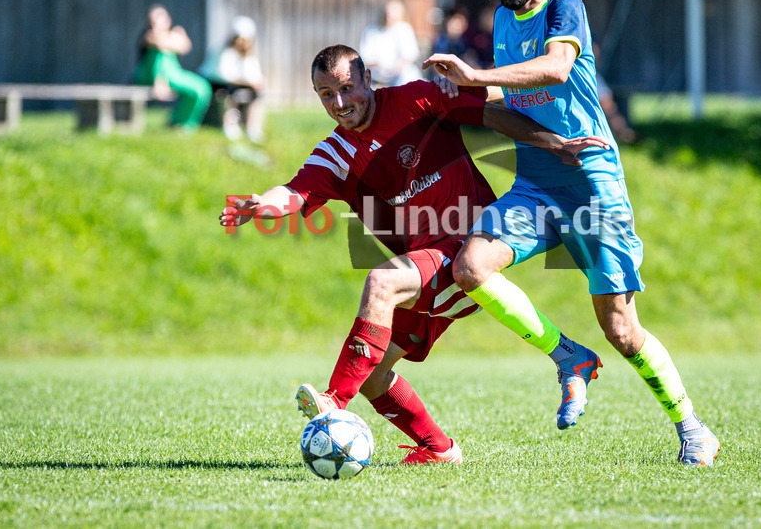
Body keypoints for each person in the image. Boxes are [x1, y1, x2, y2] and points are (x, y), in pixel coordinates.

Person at [220, 44, 607, 464]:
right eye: (326, 94)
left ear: (367, 78)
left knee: (382, 281)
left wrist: (555, 142)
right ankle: (438, 449)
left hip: (469, 250)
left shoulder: (416, 100)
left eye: (347, 88)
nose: (339, 102)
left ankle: (333, 401)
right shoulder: (336, 153)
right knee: (373, 377)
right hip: (428, 268)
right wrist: (265, 205)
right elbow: (296, 191)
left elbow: (490, 107)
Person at [423, 0, 720, 467]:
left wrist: (478, 74)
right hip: (537, 181)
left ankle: (692, 426)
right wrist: (454, 97)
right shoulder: (502, 20)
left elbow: (557, 69)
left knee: (623, 330)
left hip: (591, 181)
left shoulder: (567, 7)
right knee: (471, 267)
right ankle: (569, 358)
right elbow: (498, 108)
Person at [133, 4, 212, 132]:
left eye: (158, 20)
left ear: (167, 20)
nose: (155, 24)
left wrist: (170, 41)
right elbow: (161, 45)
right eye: (152, 21)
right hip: (149, 75)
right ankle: (180, 123)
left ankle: (183, 122)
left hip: (174, 73)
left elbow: (185, 46)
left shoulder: (170, 34)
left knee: (202, 87)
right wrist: (172, 40)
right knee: (159, 54)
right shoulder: (148, 36)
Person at [216, 16, 266, 144]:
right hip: (220, 85)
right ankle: (230, 125)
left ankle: (253, 126)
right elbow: (225, 76)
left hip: (241, 86)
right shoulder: (226, 52)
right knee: (229, 92)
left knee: (258, 94)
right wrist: (249, 82)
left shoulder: (250, 56)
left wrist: (258, 83)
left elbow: (256, 75)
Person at [358, 0, 422, 87]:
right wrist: (381, 69)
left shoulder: (405, 29)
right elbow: (367, 57)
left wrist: (395, 70)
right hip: (377, 76)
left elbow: (409, 56)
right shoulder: (371, 30)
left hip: (401, 77)